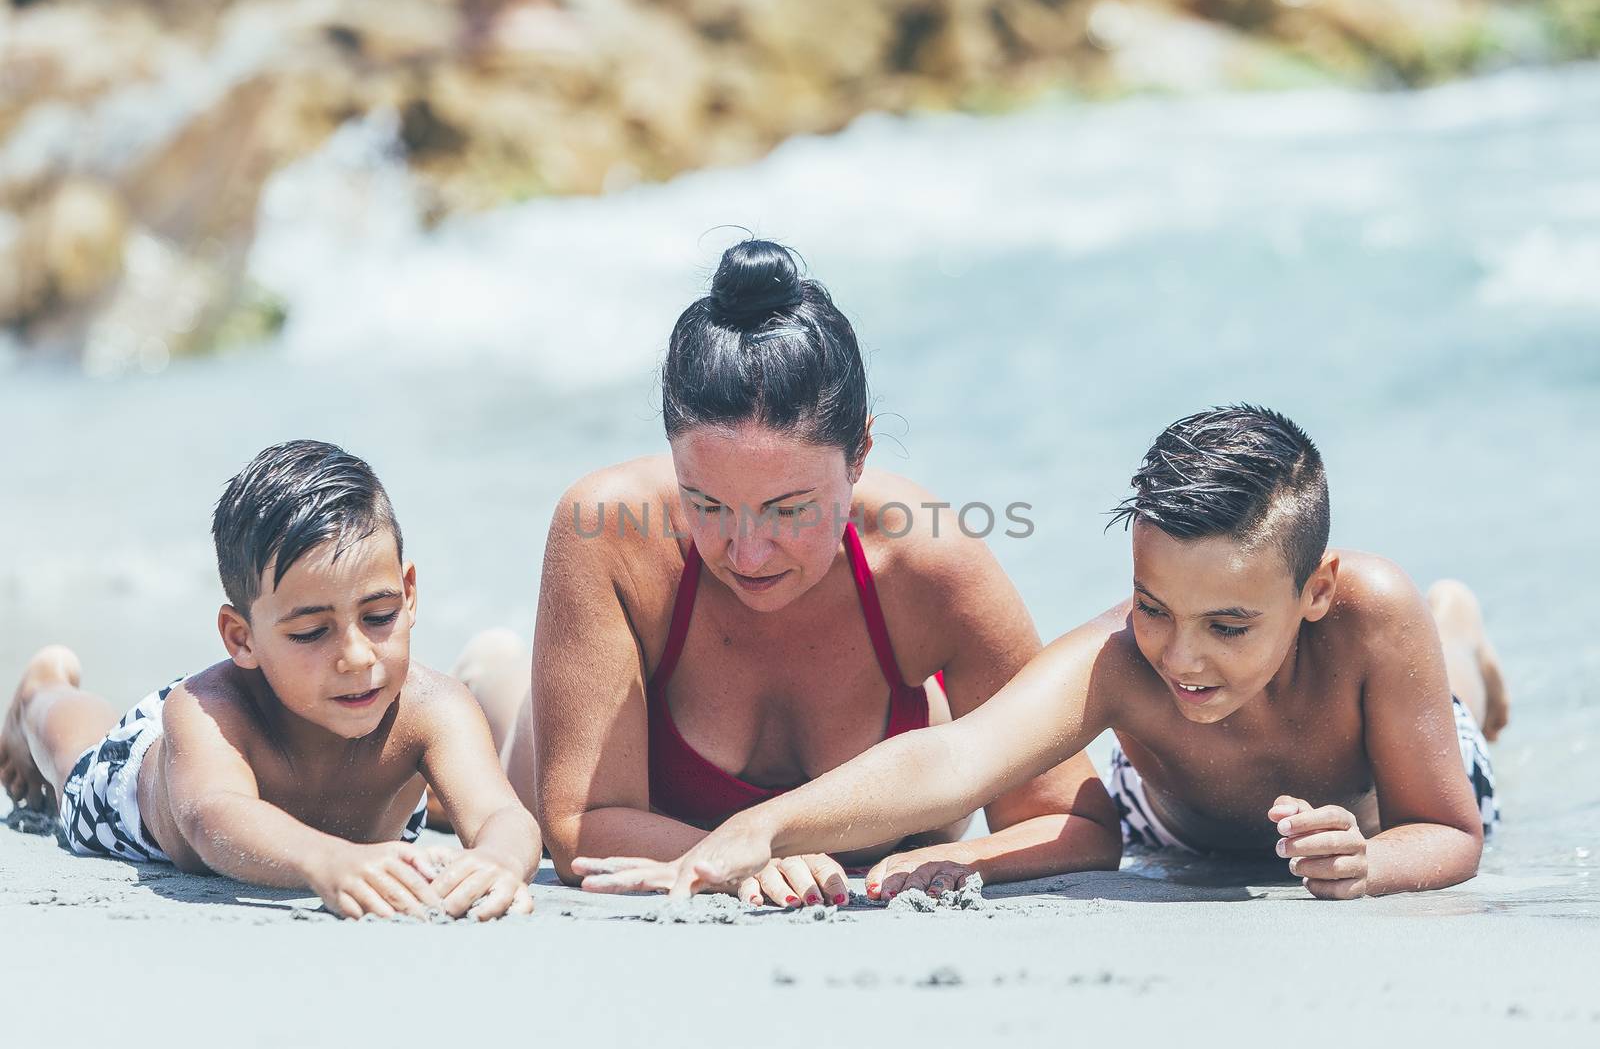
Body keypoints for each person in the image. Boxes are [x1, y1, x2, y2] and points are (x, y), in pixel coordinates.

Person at [577, 405, 1509, 901]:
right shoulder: (1121, 661)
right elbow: (957, 755)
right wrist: (763, 830)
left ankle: (1456, 633)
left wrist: (1369, 863)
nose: (1181, 657)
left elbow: (1450, 830)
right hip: (1175, 825)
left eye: (1229, 626)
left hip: (1371, 802)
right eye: (1152, 606)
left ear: (1314, 591)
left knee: (1446, 695)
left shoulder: (1366, 615)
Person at [459, 238, 1121, 907]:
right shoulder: (610, 531)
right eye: (708, 504)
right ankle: (490, 680)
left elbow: (1075, 821)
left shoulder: (927, 563)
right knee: (495, 736)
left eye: (789, 509)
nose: (747, 554)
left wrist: (950, 857)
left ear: (858, 454)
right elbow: (579, 830)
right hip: (537, 757)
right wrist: (756, 860)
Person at [0, 440, 541, 920]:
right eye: (311, 632)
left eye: (379, 617)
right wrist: (325, 859)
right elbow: (214, 818)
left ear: (410, 593)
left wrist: (498, 858)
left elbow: (500, 813)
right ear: (241, 637)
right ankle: (41, 692)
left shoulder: (432, 706)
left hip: (358, 825)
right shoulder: (209, 711)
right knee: (77, 755)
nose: (356, 656)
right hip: (142, 790)